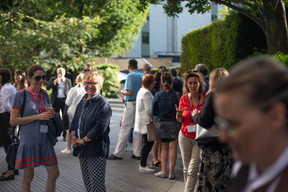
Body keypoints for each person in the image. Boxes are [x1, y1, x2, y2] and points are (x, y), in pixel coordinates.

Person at [215, 57, 288, 192]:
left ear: (275, 117)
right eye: (222, 123)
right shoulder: (247, 165)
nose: (223, 137)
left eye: (233, 124)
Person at [10, 65, 59, 191]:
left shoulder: (45, 95)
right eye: (38, 78)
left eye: (43, 77)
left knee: (54, 173)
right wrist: (38, 116)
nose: (41, 81)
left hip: (45, 139)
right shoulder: (21, 95)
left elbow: (45, 113)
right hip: (29, 140)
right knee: (28, 177)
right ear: (29, 78)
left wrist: (51, 115)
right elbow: (13, 121)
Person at [191, 68, 233, 191]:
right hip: (227, 145)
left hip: (212, 147)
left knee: (210, 180)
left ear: (213, 81)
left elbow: (204, 120)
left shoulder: (213, 96)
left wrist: (195, 115)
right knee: (224, 180)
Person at [70, 70, 112, 192]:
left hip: (96, 150)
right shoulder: (84, 100)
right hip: (82, 149)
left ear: (100, 85)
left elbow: (100, 128)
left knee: (97, 187)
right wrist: (73, 137)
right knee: (88, 185)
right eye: (87, 82)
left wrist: (83, 140)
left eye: (93, 83)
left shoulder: (103, 103)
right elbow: (75, 119)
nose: (89, 85)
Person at [176, 71, 206, 192]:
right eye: (190, 83)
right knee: (186, 169)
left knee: (193, 169)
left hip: (199, 137)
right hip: (184, 136)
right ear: (187, 84)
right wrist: (178, 115)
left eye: (195, 83)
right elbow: (180, 119)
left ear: (200, 83)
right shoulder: (183, 98)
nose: (193, 85)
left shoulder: (205, 98)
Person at [108, 59, 143, 160]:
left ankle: (118, 153)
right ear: (137, 67)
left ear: (128, 67)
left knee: (125, 128)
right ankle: (137, 152)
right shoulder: (141, 76)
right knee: (137, 129)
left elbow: (129, 92)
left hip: (131, 103)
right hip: (139, 103)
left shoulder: (130, 76)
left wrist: (121, 91)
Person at [153, 72, 182, 180]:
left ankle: (163, 171)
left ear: (161, 82)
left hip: (162, 123)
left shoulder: (157, 95)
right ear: (172, 81)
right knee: (173, 148)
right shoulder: (177, 95)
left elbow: (154, 112)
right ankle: (171, 173)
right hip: (174, 123)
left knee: (164, 148)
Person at [134, 74, 156, 172]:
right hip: (147, 122)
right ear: (150, 83)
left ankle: (143, 164)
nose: (154, 84)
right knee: (148, 144)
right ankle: (143, 165)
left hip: (142, 122)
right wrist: (155, 115)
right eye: (153, 82)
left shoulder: (141, 90)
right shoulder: (146, 92)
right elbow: (149, 110)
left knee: (147, 143)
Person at [61, 74, 86, 154]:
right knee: (81, 128)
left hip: (72, 110)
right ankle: (79, 145)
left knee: (69, 129)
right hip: (83, 110)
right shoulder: (85, 89)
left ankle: (68, 148)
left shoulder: (73, 89)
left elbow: (67, 102)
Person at [0, 68, 17, 181]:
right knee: (11, 142)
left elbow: (6, 105)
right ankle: (13, 168)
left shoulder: (5, 88)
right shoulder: (12, 87)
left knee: (8, 144)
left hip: (5, 117)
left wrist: (12, 114)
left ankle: (10, 171)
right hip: (9, 117)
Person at [46, 67, 72, 141]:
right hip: (56, 100)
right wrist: (54, 82)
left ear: (64, 73)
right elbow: (48, 88)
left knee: (65, 117)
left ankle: (64, 135)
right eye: (59, 72)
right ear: (57, 73)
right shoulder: (53, 79)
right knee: (55, 117)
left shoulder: (68, 80)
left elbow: (70, 91)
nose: (60, 73)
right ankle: (55, 134)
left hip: (65, 100)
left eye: (61, 72)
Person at [151, 72, 162, 167]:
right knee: (156, 140)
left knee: (159, 140)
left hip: (159, 118)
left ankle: (158, 157)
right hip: (156, 118)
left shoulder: (157, 90)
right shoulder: (155, 91)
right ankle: (155, 158)